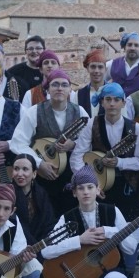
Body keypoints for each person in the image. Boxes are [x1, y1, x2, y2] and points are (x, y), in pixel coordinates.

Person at [38, 166, 139, 278]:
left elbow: (131, 248)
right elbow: (46, 251)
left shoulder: (112, 212)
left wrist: (110, 231)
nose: (86, 192)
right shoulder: (68, 218)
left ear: (98, 189)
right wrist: (79, 239)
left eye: (90, 187)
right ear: (74, 192)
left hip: (104, 273)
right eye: (81, 188)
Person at [71, 81, 139, 278]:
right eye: (108, 100)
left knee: (129, 233)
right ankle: (100, 275)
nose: (112, 104)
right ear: (102, 102)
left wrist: (120, 163)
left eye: (116, 100)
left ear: (123, 103)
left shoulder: (134, 127)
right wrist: (88, 181)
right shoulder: (91, 124)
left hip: (126, 186)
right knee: (101, 232)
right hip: (99, 187)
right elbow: (78, 156)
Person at [10, 68, 89, 215]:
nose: (60, 88)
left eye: (64, 85)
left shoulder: (80, 112)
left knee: (70, 213)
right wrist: (39, 164)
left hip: (71, 174)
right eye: (55, 84)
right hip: (42, 175)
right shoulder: (34, 111)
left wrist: (74, 144)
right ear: (47, 89)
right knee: (44, 213)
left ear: (70, 89)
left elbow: (89, 143)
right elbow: (17, 142)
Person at [11, 153, 55, 245]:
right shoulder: (7, 194)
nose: (19, 174)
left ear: (34, 174)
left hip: (41, 245)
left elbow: (48, 222)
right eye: (16, 169)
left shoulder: (41, 194)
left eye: (25, 169)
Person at [76, 48, 109, 119]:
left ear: (105, 69)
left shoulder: (114, 93)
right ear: (88, 68)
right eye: (93, 67)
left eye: (100, 67)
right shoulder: (78, 95)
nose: (96, 71)